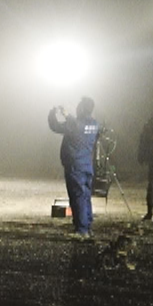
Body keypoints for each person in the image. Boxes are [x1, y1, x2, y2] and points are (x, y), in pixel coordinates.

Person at [48, 97, 102, 238]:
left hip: (75, 166)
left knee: (77, 196)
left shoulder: (74, 124)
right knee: (86, 196)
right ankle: (87, 226)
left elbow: (55, 126)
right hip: (87, 165)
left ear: (82, 108)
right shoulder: (95, 124)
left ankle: (81, 229)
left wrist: (53, 113)